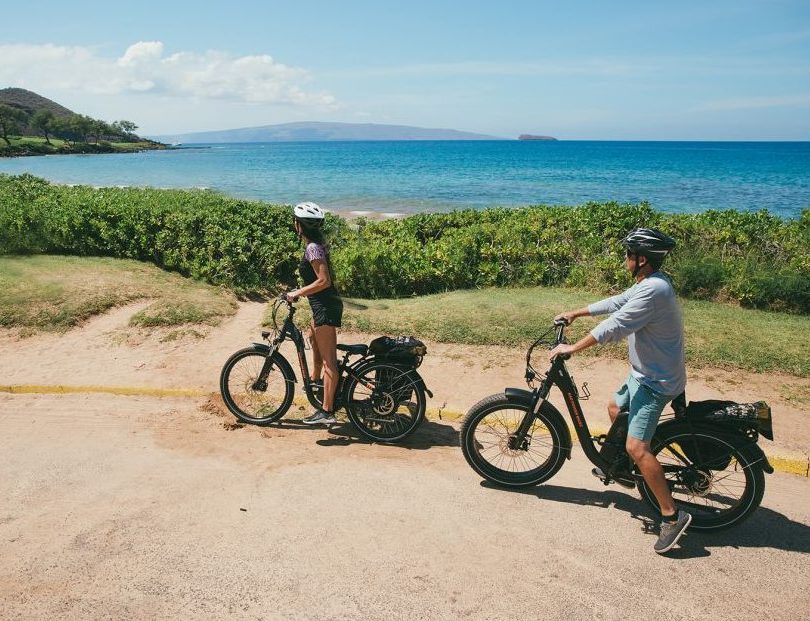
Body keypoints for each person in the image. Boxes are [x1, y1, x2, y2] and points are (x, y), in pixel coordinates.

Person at [548, 227, 692, 554]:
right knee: (615, 407)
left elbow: (615, 326)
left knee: (637, 447)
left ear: (642, 259)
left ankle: (672, 516)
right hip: (644, 373)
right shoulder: (651, 283)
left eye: (629, 254)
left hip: (656, 382)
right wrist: (576, 312)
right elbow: (616, 302)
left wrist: (574, 348)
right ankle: (629, 470)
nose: (625, 258)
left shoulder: (653, 292)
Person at [286, 202, 344, 425]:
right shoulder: (316, 244)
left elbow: (323, 280)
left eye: (295, 221)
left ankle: (327, 411)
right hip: (321, 304)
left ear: (299, 225)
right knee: (312, 338)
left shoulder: (312, 248)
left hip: (325, 306)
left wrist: (296, 293)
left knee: (330, 361)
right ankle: (316, 383)